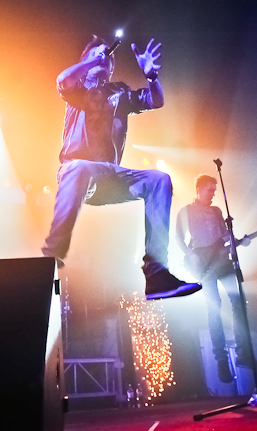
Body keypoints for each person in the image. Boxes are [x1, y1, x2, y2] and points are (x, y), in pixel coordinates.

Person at [41, 34, 201, 300]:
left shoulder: (119, 93)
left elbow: (156, 101)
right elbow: (62, 80)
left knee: (159, 180)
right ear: (85, 61)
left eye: (108, 58)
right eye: (97, 54)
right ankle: (49, 258)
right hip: (77, 174)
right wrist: (92, 61)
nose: (104, 58)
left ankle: (157, 275)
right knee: (79, 167)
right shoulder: (78, 89)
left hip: (110, 177)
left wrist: (151, 76)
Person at [175, 174, 254, 383]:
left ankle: (243, 353)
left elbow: (224, 236)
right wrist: (190, 255)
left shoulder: (218, 211)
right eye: (210, 190)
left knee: (238, 301)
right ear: (198, 190)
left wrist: (239, 241)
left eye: (215, 191)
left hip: (223, 262)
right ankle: (221, 360)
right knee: (214, 308)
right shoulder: (185, 212)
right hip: (204, 265)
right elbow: (178, 238)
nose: (213, 194)